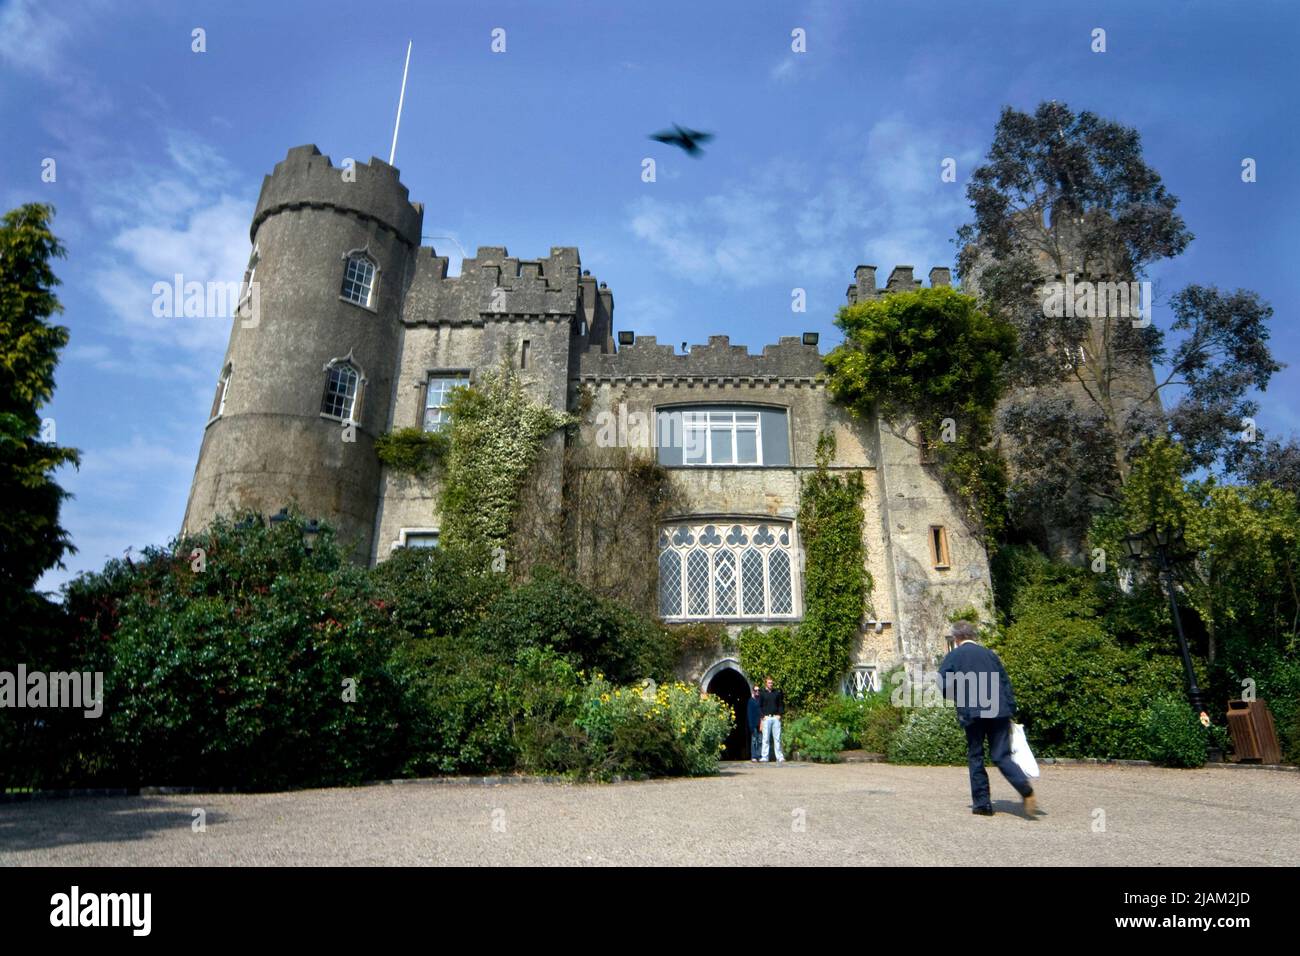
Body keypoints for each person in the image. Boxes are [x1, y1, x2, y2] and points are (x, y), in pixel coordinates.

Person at [937, 620, 1037, 817]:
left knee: (976, 755)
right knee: (1001, 755)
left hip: (972, 711)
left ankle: (983, 804)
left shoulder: (955, 655)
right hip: (998, 710)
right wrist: (1010, 708)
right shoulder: (990, 654)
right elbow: (1005, 682)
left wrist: (957, 696)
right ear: (973, 636)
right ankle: (1025, 788)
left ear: (956, 638)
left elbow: (943, 682)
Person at [758, 676, 785, 763]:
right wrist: (762, 716)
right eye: (769, 683)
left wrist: (779, 715)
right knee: (765, 738)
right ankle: (765, 757)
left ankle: (779, 757)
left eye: (772, 683)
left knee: (777, 738)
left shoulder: (776, 693)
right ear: (766, 683)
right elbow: (759, 706)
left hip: (775, 718)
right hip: (767, 718)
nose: (771, 684)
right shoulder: (762, 693)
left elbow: (780, 704)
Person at [747, 684, 763, 763]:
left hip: (760, 723)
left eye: (758, 690)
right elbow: (749, 713)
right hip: (753, 724)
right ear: (753, 691)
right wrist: (751, 725)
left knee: (760, 740)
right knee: (754, 740)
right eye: (756, 690)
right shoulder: (750, 701)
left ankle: (759, 755)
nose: (757, 692)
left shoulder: (760, 700)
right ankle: (754, 756)